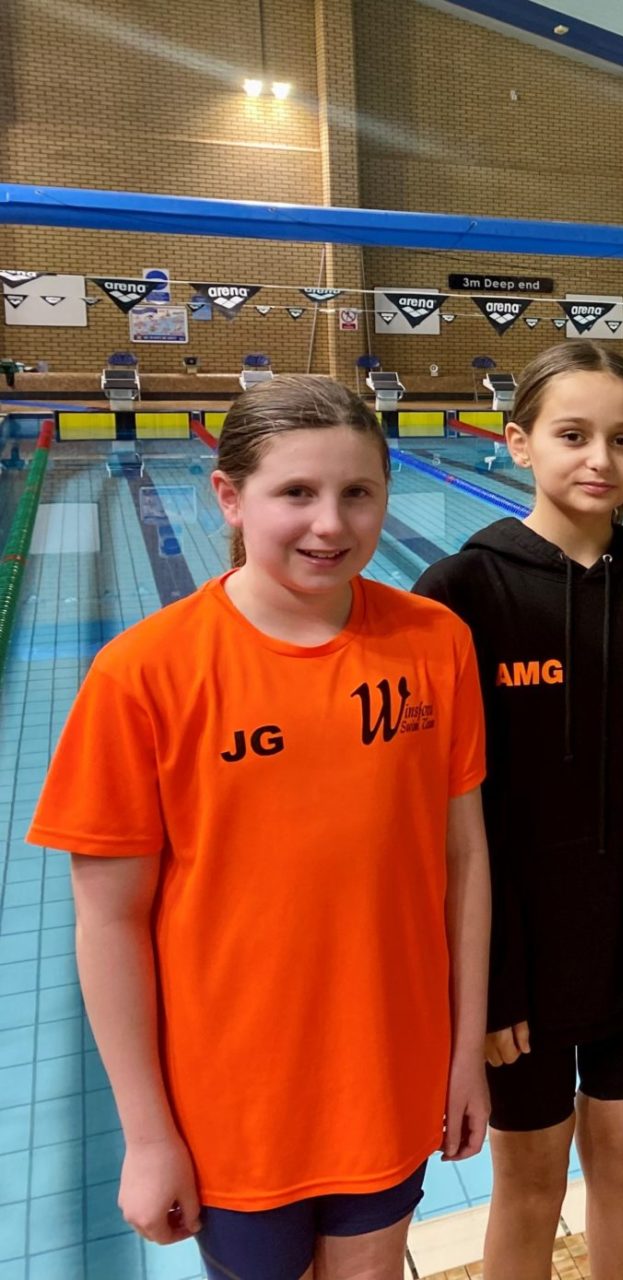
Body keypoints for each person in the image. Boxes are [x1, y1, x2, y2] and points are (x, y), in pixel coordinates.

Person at [30, 376, 491, 1280]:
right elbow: (109, 921)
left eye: (358, 492)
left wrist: (463, 1053)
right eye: (297, 493)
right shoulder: (144, 675)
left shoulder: (436, 642)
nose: (332, 524)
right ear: (230, 497)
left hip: (390, 1077)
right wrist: (147, 1132)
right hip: (232, 1103)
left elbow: (464, 857)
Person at [414, 343, 623, 1280]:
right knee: (532, 1181)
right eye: (573, 435)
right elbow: (443, 827)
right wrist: (489, 988)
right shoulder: (462, 597)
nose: (600, 459)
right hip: (522, 973)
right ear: (517, 444)